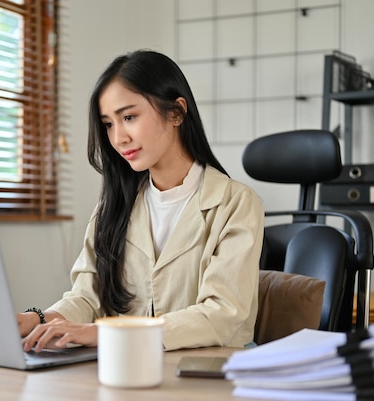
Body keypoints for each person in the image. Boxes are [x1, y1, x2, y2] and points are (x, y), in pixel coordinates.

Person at [18, 49, 264, 352]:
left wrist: (110, 335)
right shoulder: (113, 206)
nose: (118, 137)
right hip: (125, 367)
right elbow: (86, 297)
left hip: (206, 372)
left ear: (176, 112)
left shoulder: (236, 203)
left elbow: (222, 314)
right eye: (108, 123)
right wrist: (39, 319)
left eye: (129, 117)